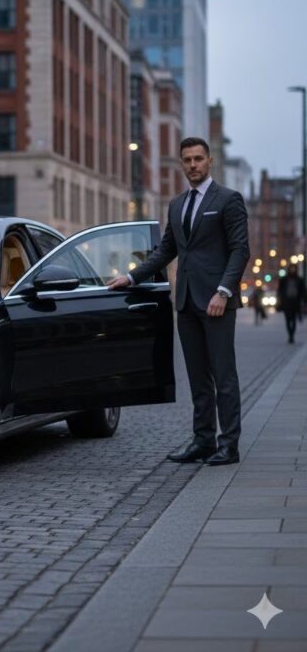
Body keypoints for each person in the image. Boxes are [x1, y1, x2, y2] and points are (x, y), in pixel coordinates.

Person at [108, 137, 250, 466]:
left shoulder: (229, 200)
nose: (192, 165)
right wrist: (131, 277)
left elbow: (240, 250)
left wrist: (224, 292)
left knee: (224, 376)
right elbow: (166, 250)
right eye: (187, 160)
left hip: (216, 302)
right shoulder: (177, 204)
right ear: (182, 163)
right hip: (185, 302)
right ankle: (203, 440)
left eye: (198, 159)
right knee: (199, 378)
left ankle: (229, 445)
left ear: (209, 161)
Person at [277, 264, 306, 343]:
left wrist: (304, 301)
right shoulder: (284, 279)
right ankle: (290, 334)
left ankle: (292, 336)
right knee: (287, 320)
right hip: (286, 303)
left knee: (293, 320)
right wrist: (280, 301)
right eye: (291, 269)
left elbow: (303, 291)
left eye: (293, 269)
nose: (292, 270)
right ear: (288, 269)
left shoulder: (299, 280)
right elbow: (279, 291)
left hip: (295, 303)